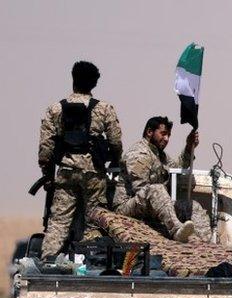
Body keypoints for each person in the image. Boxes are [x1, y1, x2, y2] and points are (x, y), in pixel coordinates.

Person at [39, 61, 123, 259]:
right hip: (94, 174)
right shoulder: (104, 109)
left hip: (66, 171)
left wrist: (48, 174)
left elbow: (45, 149)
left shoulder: (55, 109)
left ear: (73, 79)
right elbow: (116, 142)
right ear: (94, 84)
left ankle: (48, 261)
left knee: (59, 221)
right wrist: (114, 163)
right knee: (93, 220)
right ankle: (89, 262)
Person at [112, 116, 199, 242]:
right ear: (149, 132)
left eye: (168, 135)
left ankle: (201, 241)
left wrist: (189, 147)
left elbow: (177, 168)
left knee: (192, 206)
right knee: (156, 189)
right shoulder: (139, 153)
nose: (166, 139)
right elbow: (141, 189)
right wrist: (164, 206)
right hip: (126, 206)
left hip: (150, 203)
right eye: (163, 134)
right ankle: (176, 231)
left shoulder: (159, 154)